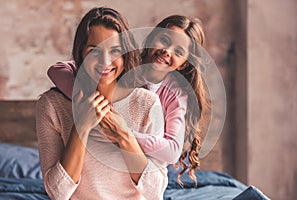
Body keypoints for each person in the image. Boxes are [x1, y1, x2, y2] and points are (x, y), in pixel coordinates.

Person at [48, 14, 209, 186]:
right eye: (164, 40)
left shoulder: (176, 94)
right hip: (99, 168)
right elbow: (57, 70)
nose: (166, 51)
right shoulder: (124, 61)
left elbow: (172, 152)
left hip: (141, 172)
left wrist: (123, 134)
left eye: (178, 52)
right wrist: (90, 101)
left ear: (184, 63)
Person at [36, 7, 167, 200]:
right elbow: (58, 193)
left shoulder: (147, 103)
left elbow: (156, 192)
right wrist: (81, 125)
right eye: (94, 50)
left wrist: (124, 136)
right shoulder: (52, 105)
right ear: (80, 53)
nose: (105, 61)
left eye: (115, 50)